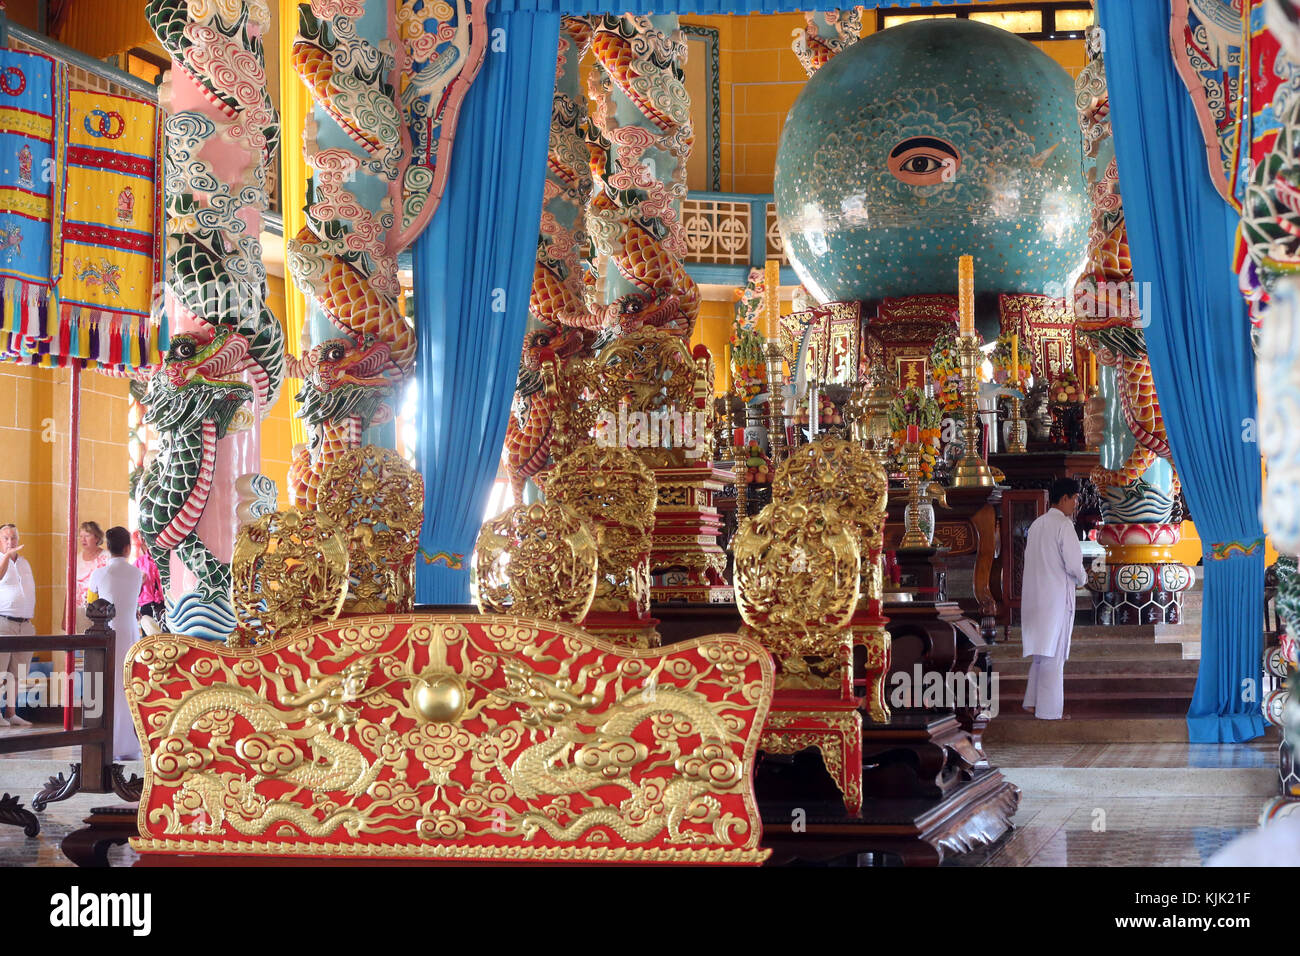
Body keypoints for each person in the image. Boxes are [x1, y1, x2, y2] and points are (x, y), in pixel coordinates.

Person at [1020, 477, 1089, 721]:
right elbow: (1073, 564)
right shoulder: (1063, 525)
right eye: (1075, 499)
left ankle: (1032, 702)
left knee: (1042, 653)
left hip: (1036, 597)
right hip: (1055, 599)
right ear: (1065, 498)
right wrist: (1084, 579)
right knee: (1053, 655)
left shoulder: (1038, 524)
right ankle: (1049, 713)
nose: (1076, 504)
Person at [87, 526, 143, 761]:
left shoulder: (99, 574)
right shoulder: (137, 573)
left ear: (107, 548)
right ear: (128, 548)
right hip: (131, 632)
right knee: (129, 685)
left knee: (108, 685)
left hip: (108, 633)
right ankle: (130, 743)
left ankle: (109, 741)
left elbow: (91, 604)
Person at [0, 524, 34, 728]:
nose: (10, 542)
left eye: (13, 538)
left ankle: (11, 713)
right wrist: (6, 556)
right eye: (5, 538)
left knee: (18, 672)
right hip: (4, 621)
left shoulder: (24, 562)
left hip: (25, 624)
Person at [73, 521, 109, 634]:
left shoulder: (107, 557)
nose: (83, 539)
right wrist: (66, 615)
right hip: (80, 611)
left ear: (97, 538)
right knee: (81, 644)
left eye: (87, 536)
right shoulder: (76, 559)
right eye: (81, 536)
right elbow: (70, 588)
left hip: (102, 611)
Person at [131, 530, 165, 631]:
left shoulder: (164, 560)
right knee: (149, 638)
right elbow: (131, 590)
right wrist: (139, 582)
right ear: (143, 541)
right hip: (146, 605)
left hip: (164, 603)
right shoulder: (138, 563)